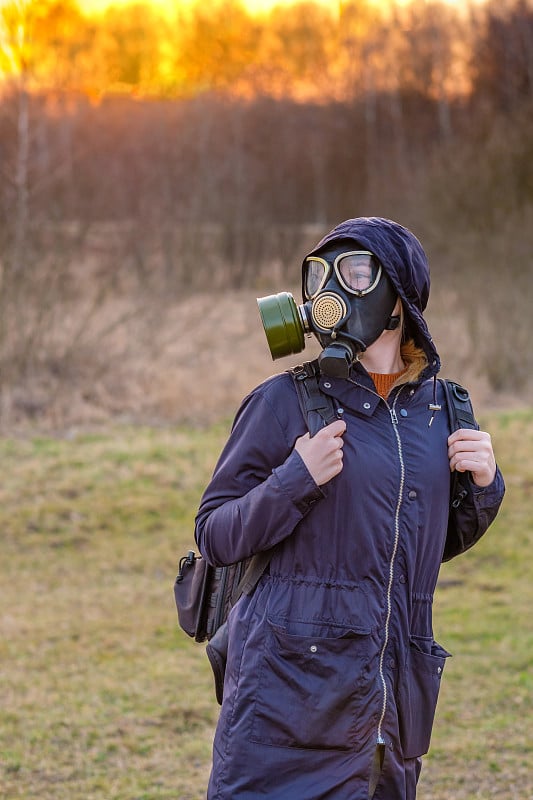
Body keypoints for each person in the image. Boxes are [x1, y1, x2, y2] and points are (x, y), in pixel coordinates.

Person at [194, 217, 505, 800]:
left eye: (356, 271)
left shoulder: (442, 407)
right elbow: (214, 534)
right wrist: (295, 480)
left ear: (400, 297)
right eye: (321, 275)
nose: (334, 289)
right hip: (285, 711)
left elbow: (422, 542)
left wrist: (485, 484)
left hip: (389, 709)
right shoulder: (283, 401)